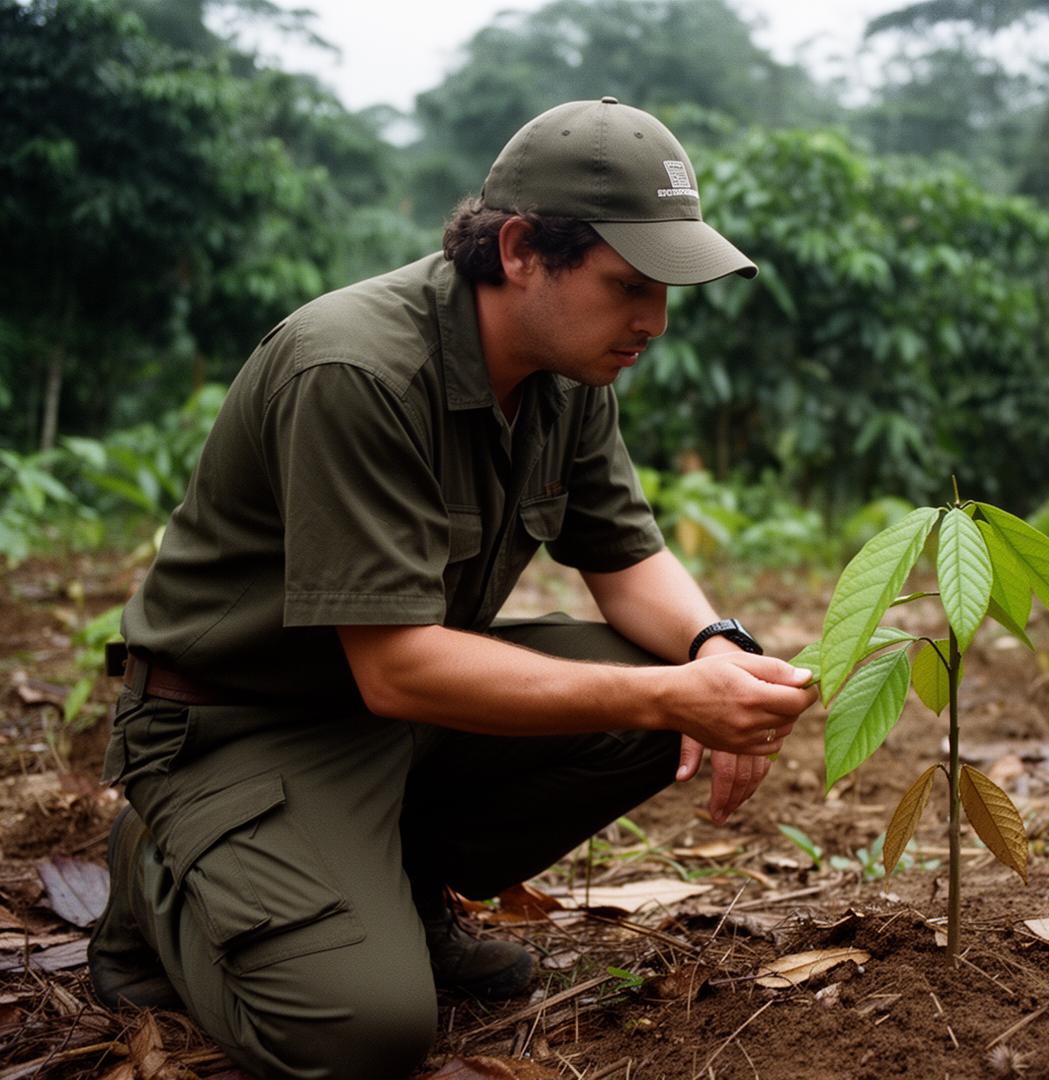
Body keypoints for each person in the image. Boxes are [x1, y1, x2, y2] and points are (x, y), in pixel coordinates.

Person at [86, 97, 817, 1078]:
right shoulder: (357, 369)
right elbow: (396, 669)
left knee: (656, 686)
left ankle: (393, 888)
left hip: (392, 721)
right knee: (361, 1036)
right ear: (520, 249)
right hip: (242, 729)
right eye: (629, 284)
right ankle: (155, 868)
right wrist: (669, 692)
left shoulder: (569, 374)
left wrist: (714, 649)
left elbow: (628, 558)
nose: (654, 321)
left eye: (668, 290)